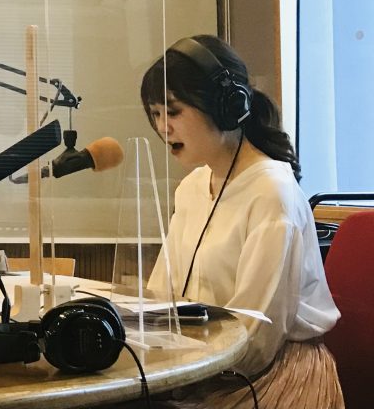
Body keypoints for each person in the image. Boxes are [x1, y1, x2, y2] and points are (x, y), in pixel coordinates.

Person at [141, 35, 343, 409]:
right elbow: (159, 301)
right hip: (204, 368)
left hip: (269, 374)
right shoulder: (191, 189)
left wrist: (179, 374)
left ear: (225, 107)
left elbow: (257, 337)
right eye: (155, 114)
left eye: (173, 112)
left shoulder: (271, 192)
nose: (163, 127)